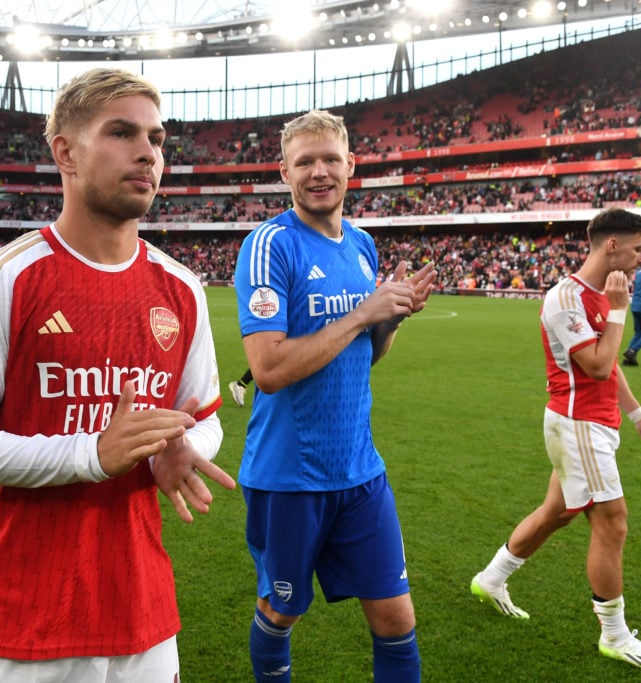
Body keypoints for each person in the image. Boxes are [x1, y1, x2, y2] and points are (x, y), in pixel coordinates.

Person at [0, 67, 235, 683]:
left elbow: (205, 417)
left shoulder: (182, 289)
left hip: (144, 618)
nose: (147, 152)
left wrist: (183, 446)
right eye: (121, 132)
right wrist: (92, 454)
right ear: (65, 151)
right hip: (22, 623)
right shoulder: (8, 277)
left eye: (157, 138)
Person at [233, 109, 437, 682]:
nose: (318, 172)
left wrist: (389, 321)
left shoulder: (363, 245)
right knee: (282, 609)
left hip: (360, 471)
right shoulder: (270, 245)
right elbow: (268, 369)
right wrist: (364, 311)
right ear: (284, 172)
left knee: (397, 618)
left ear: (351, 165)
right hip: (289, 477)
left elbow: (366, 355)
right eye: (305, 162)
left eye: (329, 160)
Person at [470, 207, 641, 671]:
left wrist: (639, 417)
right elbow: (598, 365)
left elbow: (612, 366)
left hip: (595, 423)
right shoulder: (566, 297)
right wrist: (620, 311)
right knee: (612, 523)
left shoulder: (603, 293)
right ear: (611, 246)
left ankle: (491, 578)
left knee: (556, 513)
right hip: (577, 422)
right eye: (639, 248)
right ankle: (615, 635)